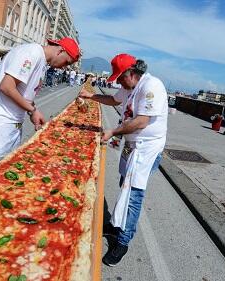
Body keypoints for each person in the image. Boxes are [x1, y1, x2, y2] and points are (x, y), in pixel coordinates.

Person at [79, 53, 168, 266]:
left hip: (146, 148)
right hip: (131, 145)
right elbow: (113, 100)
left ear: (132, 73)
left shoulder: (151, 86)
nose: (117, 81)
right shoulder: (129, 87)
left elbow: (141, 121)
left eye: (120, 77)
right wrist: (90, 96)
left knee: (134, 194)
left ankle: (123, 240)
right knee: (124, 184)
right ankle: (117, 224)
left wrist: (113, 131)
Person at [0, 37, 80, 173]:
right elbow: (7, 86)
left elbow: (24, 93)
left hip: (10, 122)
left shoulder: (42, 61)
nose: (64, 66)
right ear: (60, 51)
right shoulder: (32, 53)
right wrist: (33, 110)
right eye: (67, 62)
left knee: (4, 170)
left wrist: (31, 112)